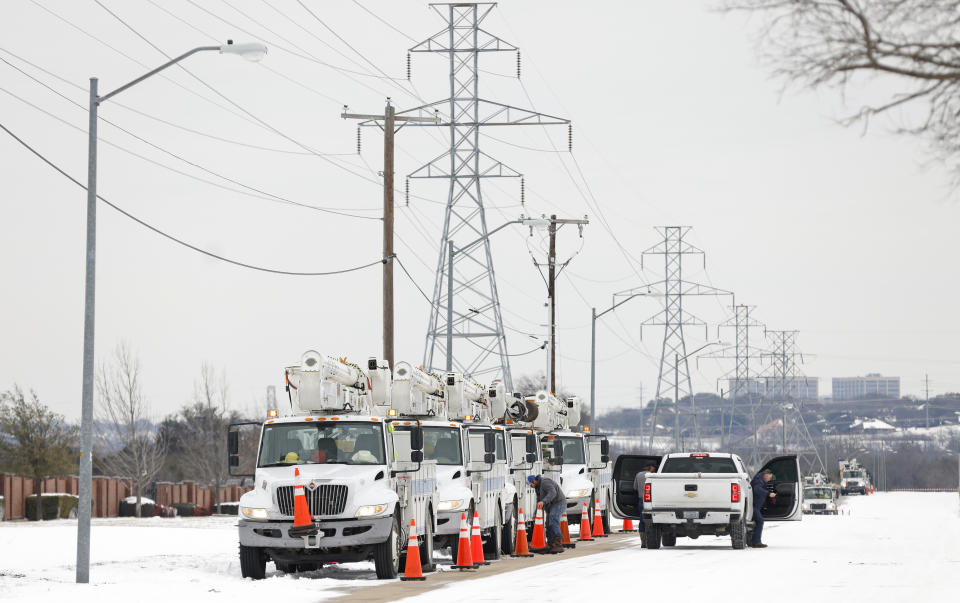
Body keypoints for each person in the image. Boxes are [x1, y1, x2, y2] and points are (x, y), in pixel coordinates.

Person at [528, 474, 564, 554]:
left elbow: (552, 493)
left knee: (553, 519)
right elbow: (539, 502)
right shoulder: (538, 488)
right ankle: (551, 544)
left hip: (558, 503)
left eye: (531, 484)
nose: (531, 486)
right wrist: (536, 513)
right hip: (551, 505)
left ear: (534, 481)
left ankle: (558, 544)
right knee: (548, 523)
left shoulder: (545, 482)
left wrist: (544, 501)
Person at [750, 469, 776, 548]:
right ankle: (756, 542)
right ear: (766, 475)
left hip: (755, 506)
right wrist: (768, 493)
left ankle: (753, 541)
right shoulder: (759, 480)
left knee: (757, 522)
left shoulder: (761, 479)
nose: (769, 480)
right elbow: (757, 490)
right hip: (753, 506)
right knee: (760, 521)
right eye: (769, 478)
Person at [633, 464, 657, 546]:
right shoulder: (653, 475)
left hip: (641, 501)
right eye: (654, 467)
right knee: (652, 521)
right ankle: (651, 539)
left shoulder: (638, 474)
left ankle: (643, 542)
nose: (655, 469)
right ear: (650, 467)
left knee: (642, 521)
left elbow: (635, 487)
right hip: (652, 501)